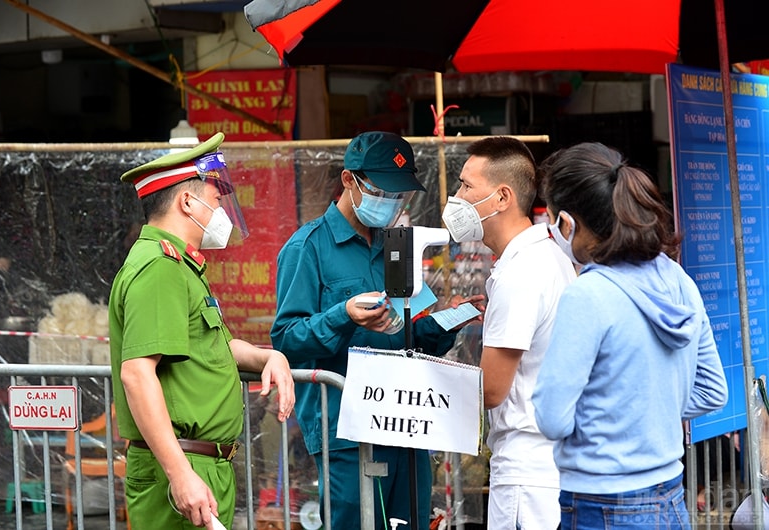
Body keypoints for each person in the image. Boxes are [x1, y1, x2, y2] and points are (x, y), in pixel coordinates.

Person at [271, 131, 484, 530]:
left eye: (398, 195)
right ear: (349, 180)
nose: (390, 203)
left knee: (410, 522)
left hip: (405, 421)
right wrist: (343, 315)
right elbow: (286, 340)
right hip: (347, 431)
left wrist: (447, 320)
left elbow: (410, 334)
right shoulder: (308, 248)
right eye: (382, 191)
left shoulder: (395, 247)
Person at [531, 142, 728, 529]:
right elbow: (713, 391)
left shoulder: (587, 295)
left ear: (568, 224)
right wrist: (646, 414)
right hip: (671, 496)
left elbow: (552, 418)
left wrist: (619, 419)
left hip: (598, 503)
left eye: (553, 221)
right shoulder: (677, 279)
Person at [109, 132, 295, 530]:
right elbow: (137, 374)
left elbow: (219, 347)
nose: (220, 212)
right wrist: (179, 474)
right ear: (186, 202)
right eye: (214, 201)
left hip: (202, 465)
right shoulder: (160, 267)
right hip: (181, 466)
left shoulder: (181, 267)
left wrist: (268, 356)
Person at [440, 136, 576, 529]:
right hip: (546, 466)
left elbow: (493, 389)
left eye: (467, 186)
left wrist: (416, 388)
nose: (457, 198)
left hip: (526, 476)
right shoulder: (546, 252)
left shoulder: (521, 272)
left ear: (502, 197)